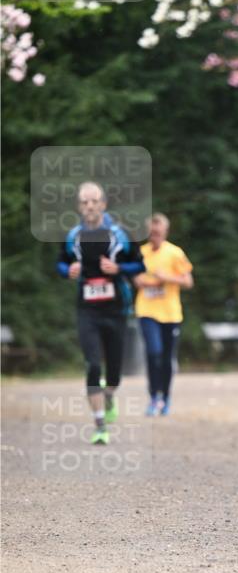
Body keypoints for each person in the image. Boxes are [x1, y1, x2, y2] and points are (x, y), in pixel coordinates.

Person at [57, 182, 145, 444]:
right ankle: (99, 425)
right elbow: (60, 262)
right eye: (85, 202)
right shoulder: (73, 236)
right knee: (93, 364)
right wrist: (67, 271)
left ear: (104, 204)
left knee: (115, 372)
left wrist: (118, 269)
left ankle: (108, 395)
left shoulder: (120, 234)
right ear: (79, 207)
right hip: (87, 310)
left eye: (94, 201)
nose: (90, 206)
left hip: (117, 308)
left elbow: (140, 263)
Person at [134, 212, 193, 416]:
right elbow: (136, 278)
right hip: (146, 310)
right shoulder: (141, 253)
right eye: (151, 233)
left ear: (165, 232)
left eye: (157, 233)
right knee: (153, 352)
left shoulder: (175, 253)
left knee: (167, 358)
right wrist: (144, 281)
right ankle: (153, 397)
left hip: (171, 313)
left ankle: (165, 397)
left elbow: (188, 281)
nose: (154, 236)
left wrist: (165, 277)